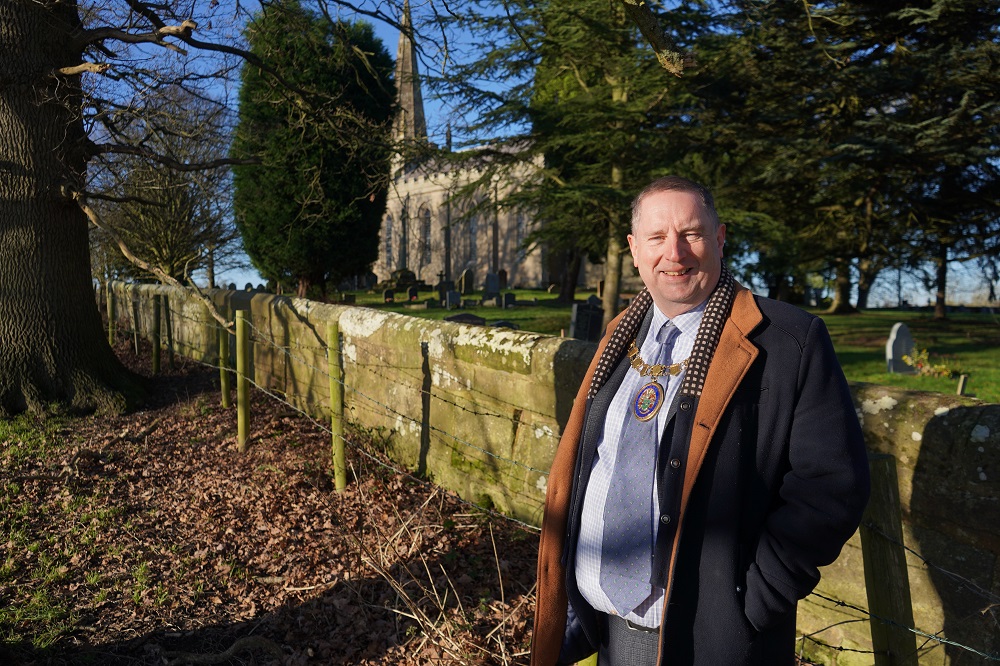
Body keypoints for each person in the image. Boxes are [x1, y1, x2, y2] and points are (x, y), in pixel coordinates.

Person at [531, 176, 870, 666]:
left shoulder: (789, 342)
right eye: (656, 237)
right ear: (634, 249)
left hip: (712, 642)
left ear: (719, 238)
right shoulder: (620, 335)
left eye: (691, 233)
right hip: (608, 633)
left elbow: (832, 487)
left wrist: (749, 600)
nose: (675, 252)